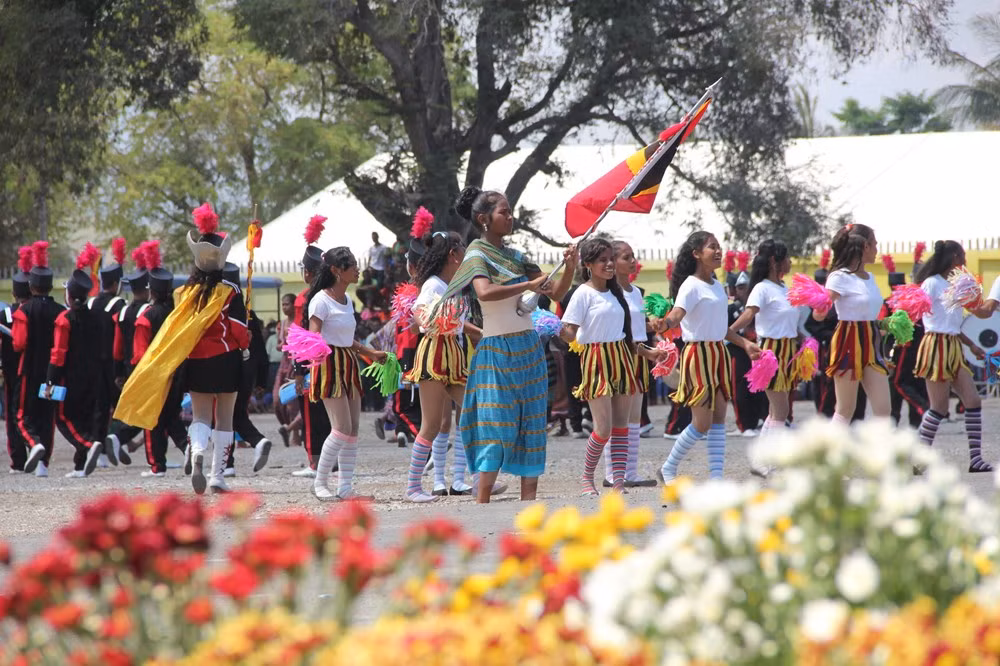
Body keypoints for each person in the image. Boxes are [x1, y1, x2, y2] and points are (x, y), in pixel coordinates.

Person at [439, 186, 576, 503]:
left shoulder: (517, 257)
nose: (511, 217)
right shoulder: (476, 253)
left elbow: (554, 292)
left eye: (511, 211)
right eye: (505, 212)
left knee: (532, 424)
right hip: (496, 351)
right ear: (484, 218)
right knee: (495, 427)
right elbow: (484, 293)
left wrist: (570, 265)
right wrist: (527, 284)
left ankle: (528, 503)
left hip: (529, 350)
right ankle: (482, 505)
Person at [115, 202, 249, 495]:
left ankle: (197, 450)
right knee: (224, 417)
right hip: (227, 360)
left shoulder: (184, 292)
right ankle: (217, 476)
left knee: (200, 416)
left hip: (196, 361)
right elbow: (239, 332)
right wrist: (246, 343)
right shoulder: (231, 292)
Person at [651, 231, 759, 482]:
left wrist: (745, 344)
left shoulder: (717, 286)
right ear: (696, 253)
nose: (719, 251)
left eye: (719, 246)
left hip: (718, 353)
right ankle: (668, 468)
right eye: (712, 247)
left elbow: (721, 328)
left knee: (720, 416)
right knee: (701, 422)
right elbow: (676, 316)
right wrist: (663, 324)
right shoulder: (690, 285)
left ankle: (716, 478)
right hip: (697, 355)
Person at [560, 238, 663, 494]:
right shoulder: (582, 293)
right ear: (588, 265)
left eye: (609, 259)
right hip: (596, 360)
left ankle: (618, 482)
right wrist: (558, 330)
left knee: (621, 427)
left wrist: (650, 354)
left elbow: (627, 337)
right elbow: (571, 333)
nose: (608, 264)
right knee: (603, 428)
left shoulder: (617, 293)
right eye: (602, 260)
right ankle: (586, 478)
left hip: (622, 360)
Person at [300, 247, 387, 501]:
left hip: (348, 363)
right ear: (337, 271)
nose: (358, 270)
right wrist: (317, 362)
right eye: (353, 266)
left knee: (353, 429)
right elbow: (314, 335)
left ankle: (345, 488)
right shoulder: (320, 300)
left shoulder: (347, 300)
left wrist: (370, 353)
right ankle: (320, 483)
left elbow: (347, 339)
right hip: (328, 364)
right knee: (340, 428)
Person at [403, 231, 481, 501]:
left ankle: (478, 479)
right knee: (432, 424)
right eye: (461, 247)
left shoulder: (455, 283)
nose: (465, 251)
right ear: (453, 254)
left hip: (454, 354)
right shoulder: (434, 284)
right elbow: (420, 312)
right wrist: (436, 319)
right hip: (435, 353)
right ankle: (413, 487)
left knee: (473, 413)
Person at [916, 240, 991, 472]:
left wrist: (972, 345)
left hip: (953, 346)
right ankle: (917, 461)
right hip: (936, 346)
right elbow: (922, 317)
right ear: (955, 257)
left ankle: (976, 459)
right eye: (964, 256)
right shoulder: (931, 283)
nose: (966, 261)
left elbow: (958, 323)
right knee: (938, 407)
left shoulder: (957, 284)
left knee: (973, 400)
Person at [728, 240, 799, 473]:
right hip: (771, 353)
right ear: (773, 261)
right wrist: (729, 332)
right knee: (780, 410)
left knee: (775, 411)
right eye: (786, 258)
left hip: (788, 352)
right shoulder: (762, 288)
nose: (790, 262)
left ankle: (761, 461)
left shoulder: (782, 287)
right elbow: (748, 316)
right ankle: (771, 462)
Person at [814, 223, 891, 422]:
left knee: (883, 409)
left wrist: (887, 324)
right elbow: (820, 312)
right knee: (845, 410)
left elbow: (870, 313)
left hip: (872, 342)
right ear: (865, 246)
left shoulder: (871, 277)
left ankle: (878, 452)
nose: (877, 250)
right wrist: (819, 307)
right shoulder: (839, 277)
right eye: (874, 244)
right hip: (848, 342)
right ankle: (829, 453)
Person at [602, 240, 657, 487]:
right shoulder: (610, 292)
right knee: (616, 418)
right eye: (626, 257)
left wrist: (652, 325)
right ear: (613, 261)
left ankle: (630, 472)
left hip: (640, 356)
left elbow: (637, 325)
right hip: (618, 357)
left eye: (633, 256)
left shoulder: (635, 292)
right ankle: (610, 473)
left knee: (635, 417)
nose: (633, 261)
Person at [47, 255, 104, 477]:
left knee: (63, 418)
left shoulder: (64, 320)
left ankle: (88, 445)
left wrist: (51, 380)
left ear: (69, 296)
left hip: (69, 378)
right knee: (85, 418)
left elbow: (58, 353)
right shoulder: (96, 318)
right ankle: (80, 466)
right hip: (93, 376)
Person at [131, 261, 188, 478]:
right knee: (171, 416)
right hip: (177, 372)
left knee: (152, 419)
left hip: (153, 376)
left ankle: (157, 466)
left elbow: (139, 354)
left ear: (151, 291)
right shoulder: (177, 315)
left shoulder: (146, 317)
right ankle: (186, 446)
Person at [13, 242, 65, 477]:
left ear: (31, 286)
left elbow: (18, 343)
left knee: (22, 415)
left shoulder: (23, 311)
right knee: (47, 417)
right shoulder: (60, 311)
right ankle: (43, 464)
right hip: (52, 372)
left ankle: (33, 444)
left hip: (28, 371)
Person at [292, 216, 333, 477]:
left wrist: (298, 371)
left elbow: (300, 338)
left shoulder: (303, 299)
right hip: (333, 361)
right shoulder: (332, 294)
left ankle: (314, 461)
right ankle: (331, 460)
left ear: (307, 272)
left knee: (310, 416)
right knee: (330, 414)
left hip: (310, 364)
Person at [222, 263, 271, 476]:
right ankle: (256, 442)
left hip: (228, 367)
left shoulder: (221, 311)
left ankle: (228, 462)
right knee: (237, 414)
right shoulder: (250, 313)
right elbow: (261, 353)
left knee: (222, 417)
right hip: (248, 372)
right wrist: (261, 381)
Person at [89, 238, 128, 467]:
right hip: (114, 364)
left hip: (93, 363)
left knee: (100, 408)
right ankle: (117, 441)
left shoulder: (92, 303)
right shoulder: (119, 305)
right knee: (121, 407)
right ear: (116, 284)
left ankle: (100, 449)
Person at [2, 246, 32, 473]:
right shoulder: (38, 310)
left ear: (14, 294)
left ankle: (19, 460)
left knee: (13, 415)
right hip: (36, 369)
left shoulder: (5, 316)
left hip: (12, 371)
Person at [728, 271, 767, 435]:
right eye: (741, 287)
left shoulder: (756, 307)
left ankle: (758, 419)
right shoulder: (731, 309)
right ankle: (743, 425)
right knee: (740, 390)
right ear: (736, 290)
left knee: (759, 389)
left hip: (755, 351)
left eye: (747, 287)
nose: (744, 290)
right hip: (738, 351)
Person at [273, 293, 302, 448]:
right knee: (277, 400)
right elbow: (280, 343)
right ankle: (288, 427)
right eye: (282, 305)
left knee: (292, 402)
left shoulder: (298, 323)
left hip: (295, 363)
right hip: (283, 364)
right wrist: (282, 345)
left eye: (287, 304)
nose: (284, 308)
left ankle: (295, 434)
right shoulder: (282, 324)